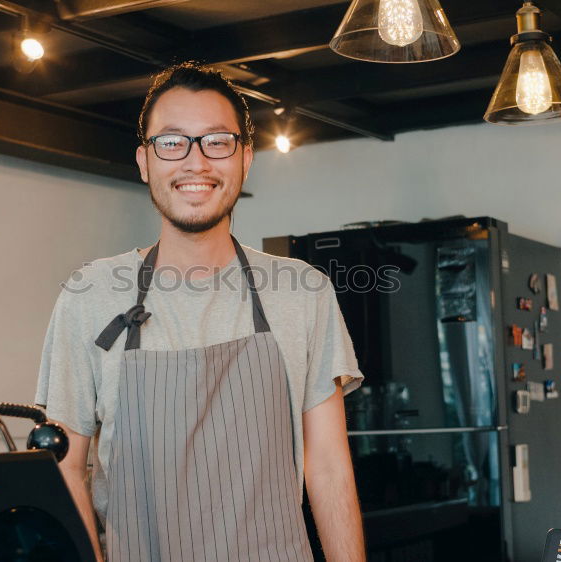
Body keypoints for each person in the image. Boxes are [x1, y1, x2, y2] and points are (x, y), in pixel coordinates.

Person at [35, 62, 366, 562]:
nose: (196, 162)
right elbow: (64, 466)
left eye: (217, 141)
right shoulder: (90, 294)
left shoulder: (303, 291)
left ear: (245, 159)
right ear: (145, 162)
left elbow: (327, 465)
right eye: (172, 142)